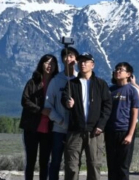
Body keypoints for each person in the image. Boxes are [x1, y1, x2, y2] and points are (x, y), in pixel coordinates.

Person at [62, 52, 112, 180]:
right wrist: (68, 102)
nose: (82, 64)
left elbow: (107, 106)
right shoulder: (71, 83)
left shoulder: (101, 84)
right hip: (75, 131)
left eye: (86, 61)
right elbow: (64, 98)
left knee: (94, 166)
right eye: (80, 62)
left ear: (92, 65)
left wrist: (101, 125)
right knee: (71, 166)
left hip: (95, 132)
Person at [20, 54, 59, 180]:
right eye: (47, 62)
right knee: (30, 161)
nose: (49, 65)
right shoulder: (33, 82)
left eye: (52, 63)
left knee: (44, 161)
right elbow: (25, 101)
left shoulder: (57, 83)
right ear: (41, 64)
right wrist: (40, 110)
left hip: (49, 128)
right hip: (32, 127)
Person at [105, 62, 139, 180]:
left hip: (125, 130)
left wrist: (130, 134)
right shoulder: (110, 90)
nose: (117, 71)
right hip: (111, 131)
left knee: (123, 166)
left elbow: (134, 113)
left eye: (121, 70)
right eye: (116, 69)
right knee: (112, 165)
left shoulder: (132, 91)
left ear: (128, 74)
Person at [45, 46, 79, 180]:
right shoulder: (56, 81)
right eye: (65, 56)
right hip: (58, 129)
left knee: (73, 163)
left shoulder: (81, 80)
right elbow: (48, 105)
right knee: (55, 162)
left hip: (75, 130)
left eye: (71, 56)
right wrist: (60, 121)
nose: (68, 59)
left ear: (76, 60)